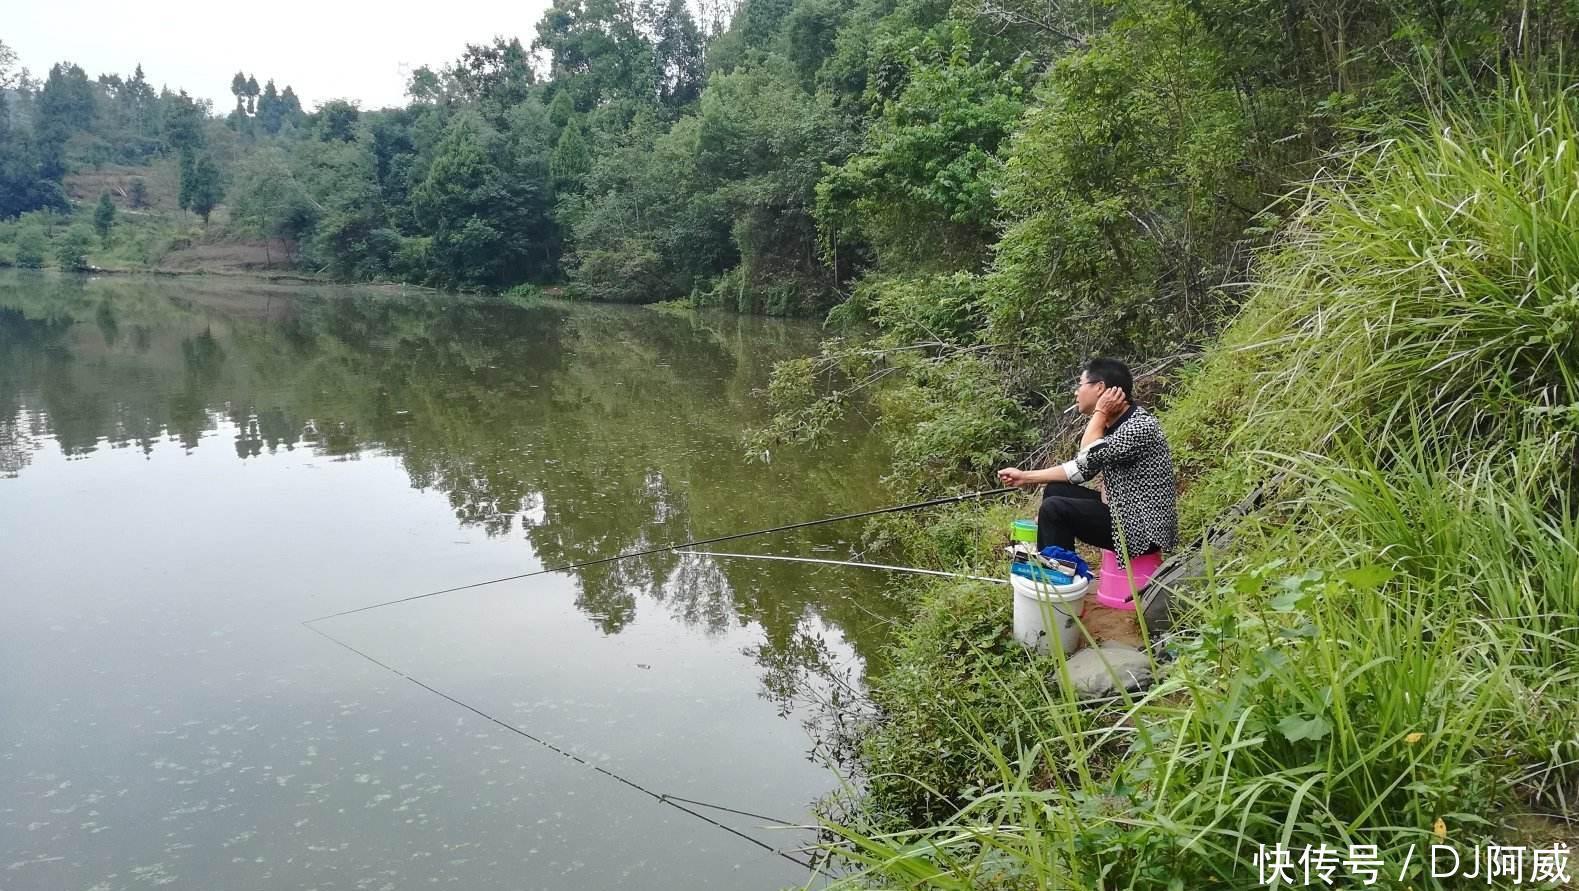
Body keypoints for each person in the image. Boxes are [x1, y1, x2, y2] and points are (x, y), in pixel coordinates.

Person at [997, 358, 1177, 566]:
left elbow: (1087, 456)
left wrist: (1100, 412)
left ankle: (1059, 573)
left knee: (1054, 509)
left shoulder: (1138, 427)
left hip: (1143, 530)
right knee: (1056, 490)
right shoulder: (1118, 423)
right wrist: (1025, 477)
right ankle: (1055, 561)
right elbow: (1081, 469)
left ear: (1100, 388)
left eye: (1080, 385)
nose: (1077, 392)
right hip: (1123, 512)